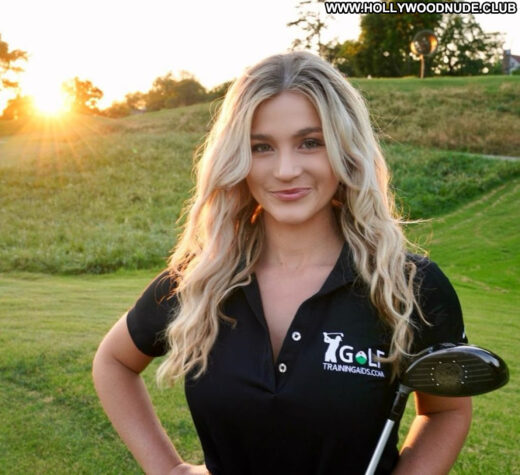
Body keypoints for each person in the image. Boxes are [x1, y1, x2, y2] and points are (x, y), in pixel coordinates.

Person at [92, 51, 472, 475]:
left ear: (346, 151)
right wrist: (169, 469)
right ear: (237, 158)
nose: (286, 170)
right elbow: (113, 363)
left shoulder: (409, 286)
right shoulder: (201, 280)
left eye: (310, 142)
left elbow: (446, 411)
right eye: (262, 147)